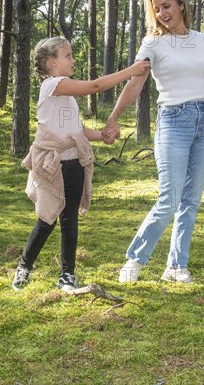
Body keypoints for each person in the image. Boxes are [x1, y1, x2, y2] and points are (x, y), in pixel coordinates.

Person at [105, 0, 204, 284]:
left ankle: (177, 266)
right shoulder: (152, 43)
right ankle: (134, 259)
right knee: (170, 197)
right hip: (173, 121)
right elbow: (135, 83)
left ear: (181, 4)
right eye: (157, 9)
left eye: (167, 5)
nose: (162, 13)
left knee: (191, 199)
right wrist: (113, 117)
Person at [12, 36, 150, 291]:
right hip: (51, 166)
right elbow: (95, 86)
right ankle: (24, 266)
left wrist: (101, 136)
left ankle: (67, 275)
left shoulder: (67, 96)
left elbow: (75, 129)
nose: (73, 60)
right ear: (52, 62)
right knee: (46, 220)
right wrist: (131, 71)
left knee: (69, 220)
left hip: (73, 163)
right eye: (68, 56)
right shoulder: (51, 86)